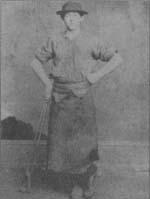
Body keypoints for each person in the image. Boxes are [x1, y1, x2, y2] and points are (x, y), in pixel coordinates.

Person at [30, 1, 123, 198]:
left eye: (75, 15)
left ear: (82, 18)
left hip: (82, 98)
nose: (71, 19)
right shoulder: (54, 39)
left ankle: (84, 182)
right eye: (67, 15)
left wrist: (96, 76)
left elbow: (117, 59)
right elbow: (35, 61)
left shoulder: (92, 40)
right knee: (60, 143)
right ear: (62, 18)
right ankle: (72, 181)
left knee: (83, 144)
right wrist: (47, 84)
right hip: (59, 97)